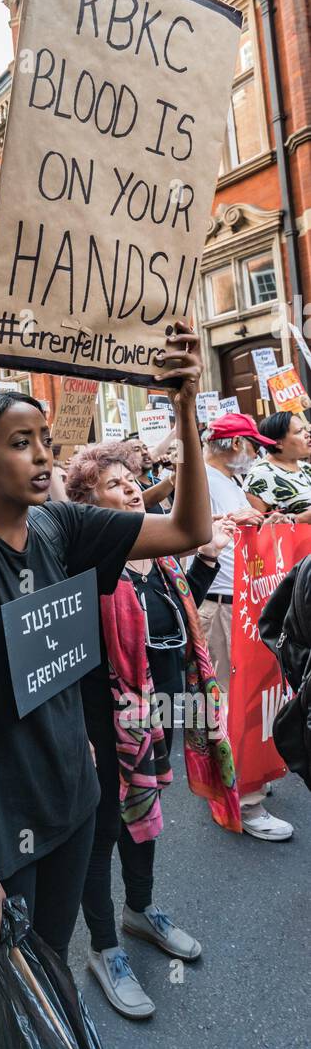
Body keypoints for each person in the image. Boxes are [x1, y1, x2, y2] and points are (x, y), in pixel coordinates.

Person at [0, 330, 214, 963]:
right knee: (6, 978)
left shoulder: (61, 526)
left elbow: (191, 529)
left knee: (49, 954)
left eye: (45, 441)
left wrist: (186, 412)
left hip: (71, 797)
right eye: (20, 444)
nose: (42, 456)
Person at [64, 443, 239, 1018]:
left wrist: (207, 560)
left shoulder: (159, 560)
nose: (134, 488)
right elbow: (67, 658)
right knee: (104, 829)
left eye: (133, 479)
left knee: (145, 818)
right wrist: (80, 732)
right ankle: (104, 947)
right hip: (103, 722)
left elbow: (173, 627)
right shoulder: (88, 564)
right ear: (87, 502)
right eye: (115, 484)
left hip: (156, 717)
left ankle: (138, 912)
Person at [200, 414, 293, 842]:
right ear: (231, 444)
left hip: (240, 600)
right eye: (249, 444)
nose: (254, 452)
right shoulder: (202, 479)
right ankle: (245, 799)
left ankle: (239, 778)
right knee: (231, 699)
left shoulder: (225, 480)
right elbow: (196, 538)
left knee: (244, 695)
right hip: (221, 604)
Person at [244, 412, 311, 518]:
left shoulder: (306, 468)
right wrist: (300, 519)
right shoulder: (260, 476)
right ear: (279, 443)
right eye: (299, 432)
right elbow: (257, 527)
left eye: (304, 429)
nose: (307, 434)